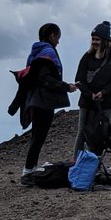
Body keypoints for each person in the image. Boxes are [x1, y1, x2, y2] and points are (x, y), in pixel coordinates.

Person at [21, 23, 77, 179]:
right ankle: (28, 170)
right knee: (39, 136)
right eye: (58, 37)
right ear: (52, 35)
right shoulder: (48, 52)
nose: (58, 41)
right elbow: (46, 78)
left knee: (37, 136)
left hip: (34, 98)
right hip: (43, 101)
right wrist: (66, 86)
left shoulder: (35, 51)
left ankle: (31, 168)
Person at [73, 21, 111, 156]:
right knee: (82, 132)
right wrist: (89, 93)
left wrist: (104, 92)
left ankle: (93, 164)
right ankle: (76, 162)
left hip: (107, 102)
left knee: (100, 133)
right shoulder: (87, 56)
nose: (94, 42)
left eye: (97, 39)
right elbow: (79, 79)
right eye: (93, 39)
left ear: (105, 40)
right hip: (87, 101)